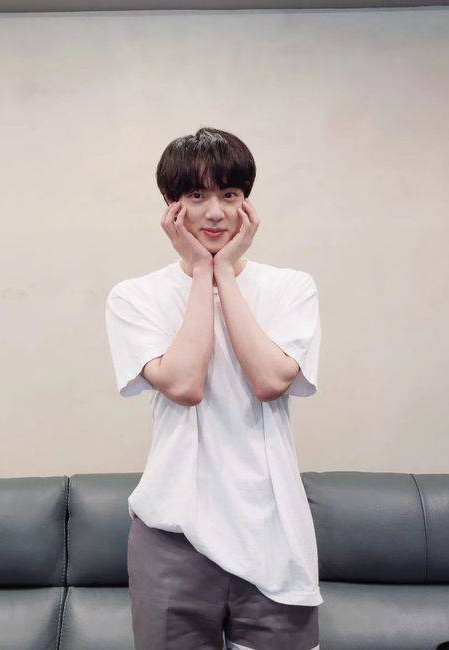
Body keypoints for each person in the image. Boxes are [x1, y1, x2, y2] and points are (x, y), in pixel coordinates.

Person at [105, 126, 322, 650]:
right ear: (171, 206)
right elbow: (184, 384)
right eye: (197, 195)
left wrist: (225, 270)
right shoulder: (134, 297)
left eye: (229, 194)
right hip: (173, 536)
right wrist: (202, 274)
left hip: (272, 529)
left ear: (247, 202)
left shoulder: (291, 287)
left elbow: (270, 381)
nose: (215, 212)